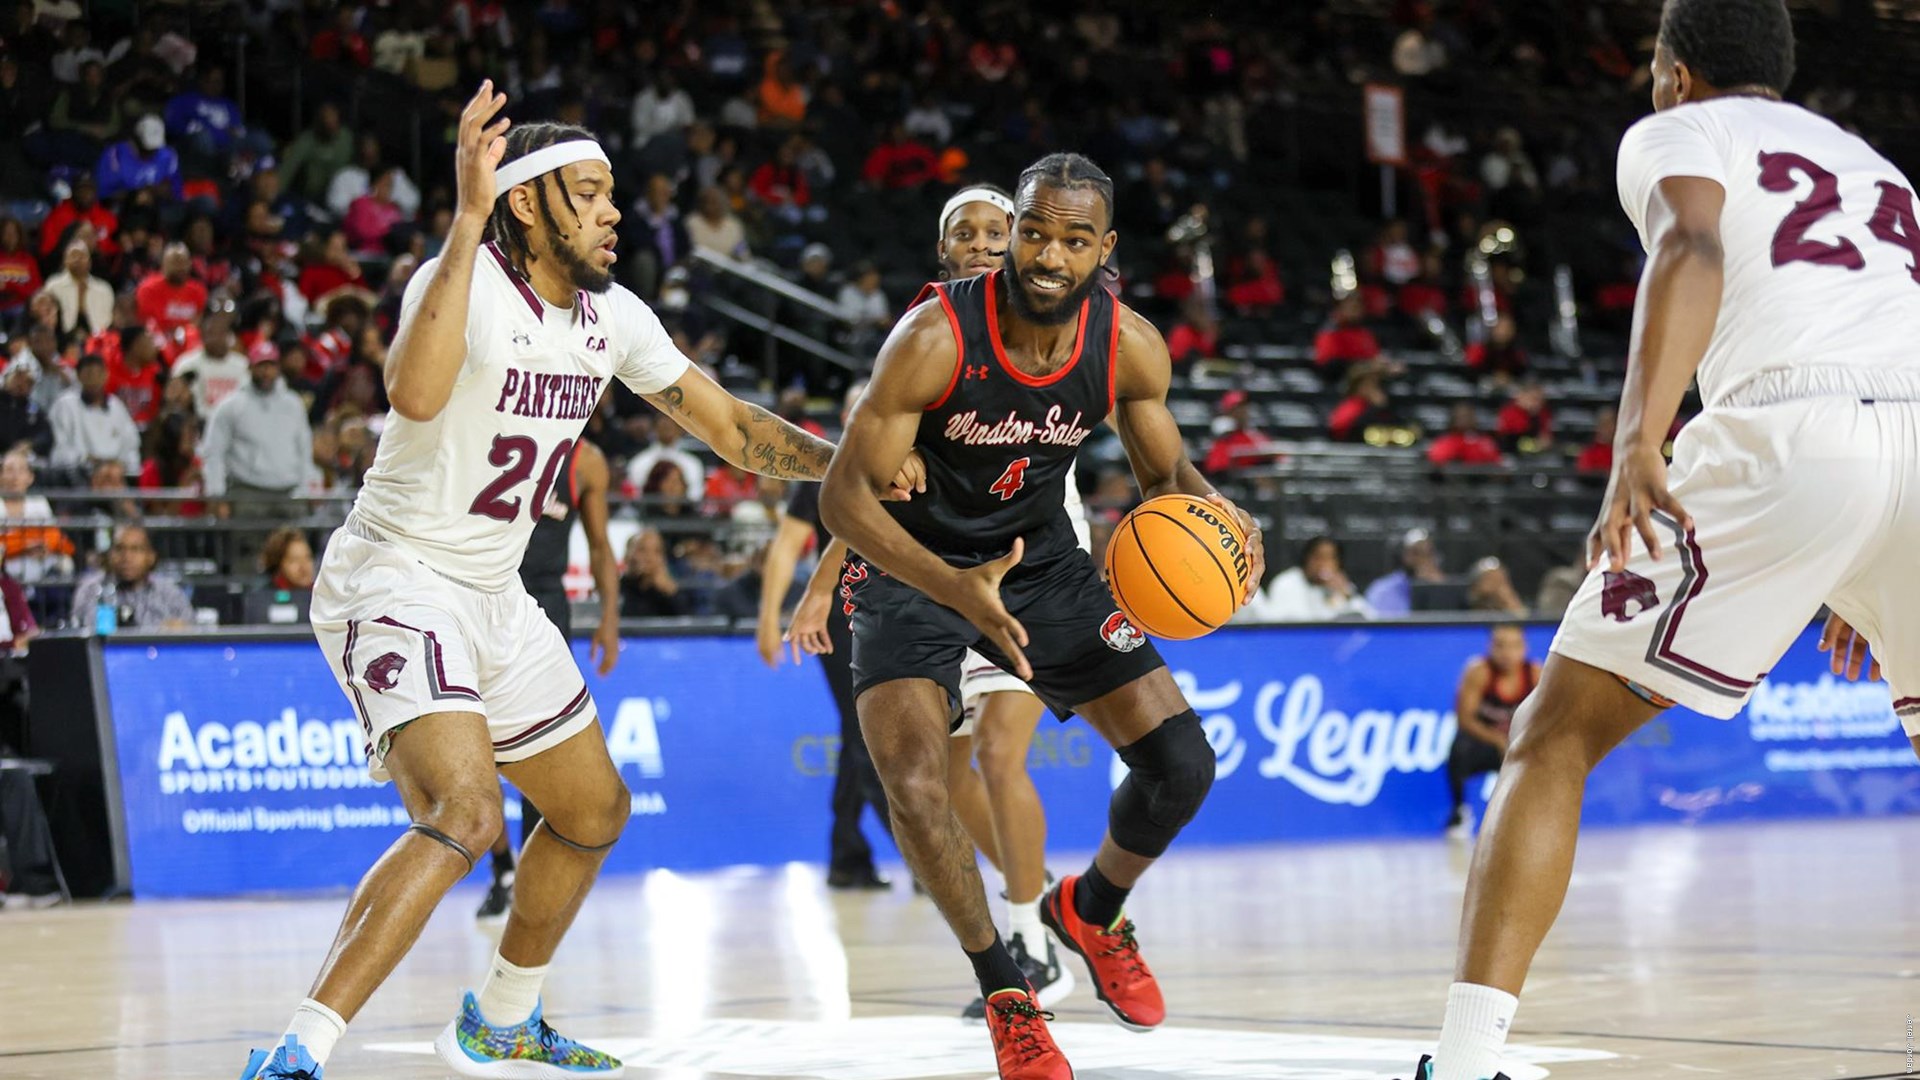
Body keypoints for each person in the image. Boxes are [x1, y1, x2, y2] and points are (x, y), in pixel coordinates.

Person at [239, 88, 880, 1080]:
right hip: (397, 576)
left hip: (497, 595)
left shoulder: (613, 317)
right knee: (464, 814)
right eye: (588, 195)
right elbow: (409, 394)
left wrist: (850, 465)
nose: (614, 213)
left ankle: (502, 1017)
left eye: (613, 195)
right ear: (527, 205)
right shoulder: (460, 281)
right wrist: (461, 218)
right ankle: (297, 1051)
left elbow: (731, 428)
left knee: (593, 812)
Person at [1409, 6, 1920, 1079]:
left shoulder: (1681, 130)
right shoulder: (1878, 168)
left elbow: (1689, 244)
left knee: (1551, 737)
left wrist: (1637, 438)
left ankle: (1463, 1061)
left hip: (1791, 428)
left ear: (1676, 71)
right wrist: (1860, 558)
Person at [819, 153, 1264, 1079]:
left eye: (1073, 238)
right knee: (912, 781)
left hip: (1038, 565)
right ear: (1012, 230)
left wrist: (1222, 522)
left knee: (1182, 765)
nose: (1048, 254)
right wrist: (950, 585)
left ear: (1104, 249)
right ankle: (1008, 994)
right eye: (1034, 231)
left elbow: (1162, 481)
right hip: (911, 567)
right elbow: (843, 502)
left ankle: (1089, 911)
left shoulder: (1129, 345)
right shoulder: (933, 337)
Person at [477, 436, 622, 924]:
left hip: (545, 605)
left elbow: (601, 546)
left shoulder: (587, 459)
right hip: (480, 594)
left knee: (542, 749)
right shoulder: (494, 433)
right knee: (476, 749)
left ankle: (532, 885)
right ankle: (501, 868)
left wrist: (609, 619)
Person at [757, 381, 895, 891]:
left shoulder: (903, 461)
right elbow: (786, 547)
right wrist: (769, 617)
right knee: (866, 731)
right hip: (836, 613)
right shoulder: (823, 467)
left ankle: (846, 853)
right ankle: (918, 851)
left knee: (858, 732)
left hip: (890, 608)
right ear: (844, 413)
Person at [202, 346, 313, 572]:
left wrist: (305, 489)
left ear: (278, 368)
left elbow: (304, 449)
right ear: (251, 367)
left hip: (288, 493)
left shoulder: (293, 404)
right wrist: (217, 494)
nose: (266, 372)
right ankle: (247, 605)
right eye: (261, 366)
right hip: (247, 493)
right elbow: (214, 452)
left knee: (291, 556)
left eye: (271, 366)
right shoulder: (231, 406)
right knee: (248, 559)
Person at [1446, 625, 1538, 838]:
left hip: (1519, 742)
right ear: (1490, 647)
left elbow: (1545, 718)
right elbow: (1464, 719)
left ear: (1524, 648)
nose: (1507, 653)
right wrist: (1498, 741)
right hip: (1485, 743)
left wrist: (1518, 742)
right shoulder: (1478, 672)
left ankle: (1530, 815)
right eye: (1500, 646)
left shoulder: (1534, 674)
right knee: (1459, 748)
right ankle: (1459, 812)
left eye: (1514, 646)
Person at [69, 523, 193, 630]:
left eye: (136, 549)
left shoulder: (169, 593)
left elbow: (192, 631)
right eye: (119, 549)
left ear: (151, 556)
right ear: (110, 554)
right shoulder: (90, 590)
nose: (127, 557)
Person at [1237, 535, 1373, 622]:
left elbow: (1368, 618)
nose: (1323, 564)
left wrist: (1346, 595)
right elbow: (1281, 622)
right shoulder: (1287, 582)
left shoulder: (1341, 586)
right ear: (1306, 559)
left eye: (1330, 558)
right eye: (1318, 557)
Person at [49, 353, 140, 480]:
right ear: (79, 376)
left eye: (98, 374)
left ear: (106, 375)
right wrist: (87, 460)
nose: (93, 379)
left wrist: (118, 465)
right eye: (88, 374)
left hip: (115, 476)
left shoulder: (116, 406)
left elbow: (131, 446)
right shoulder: (65, 405)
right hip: (79, 477)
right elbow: (60, 450)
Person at [1365, 528, 1445, 616]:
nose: (1422, 559)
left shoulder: (1443, 586)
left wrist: (1439, 587)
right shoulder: (1383, 589)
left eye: (1428, 553)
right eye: (1416, 553)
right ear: (1404, 555)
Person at [618, 527, 689, 617]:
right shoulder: (615, 590)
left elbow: (686, 624)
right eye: (642, 549)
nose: (649, 557)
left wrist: (670, 592)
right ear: (627, 555)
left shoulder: (670, 593)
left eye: (657, 551)